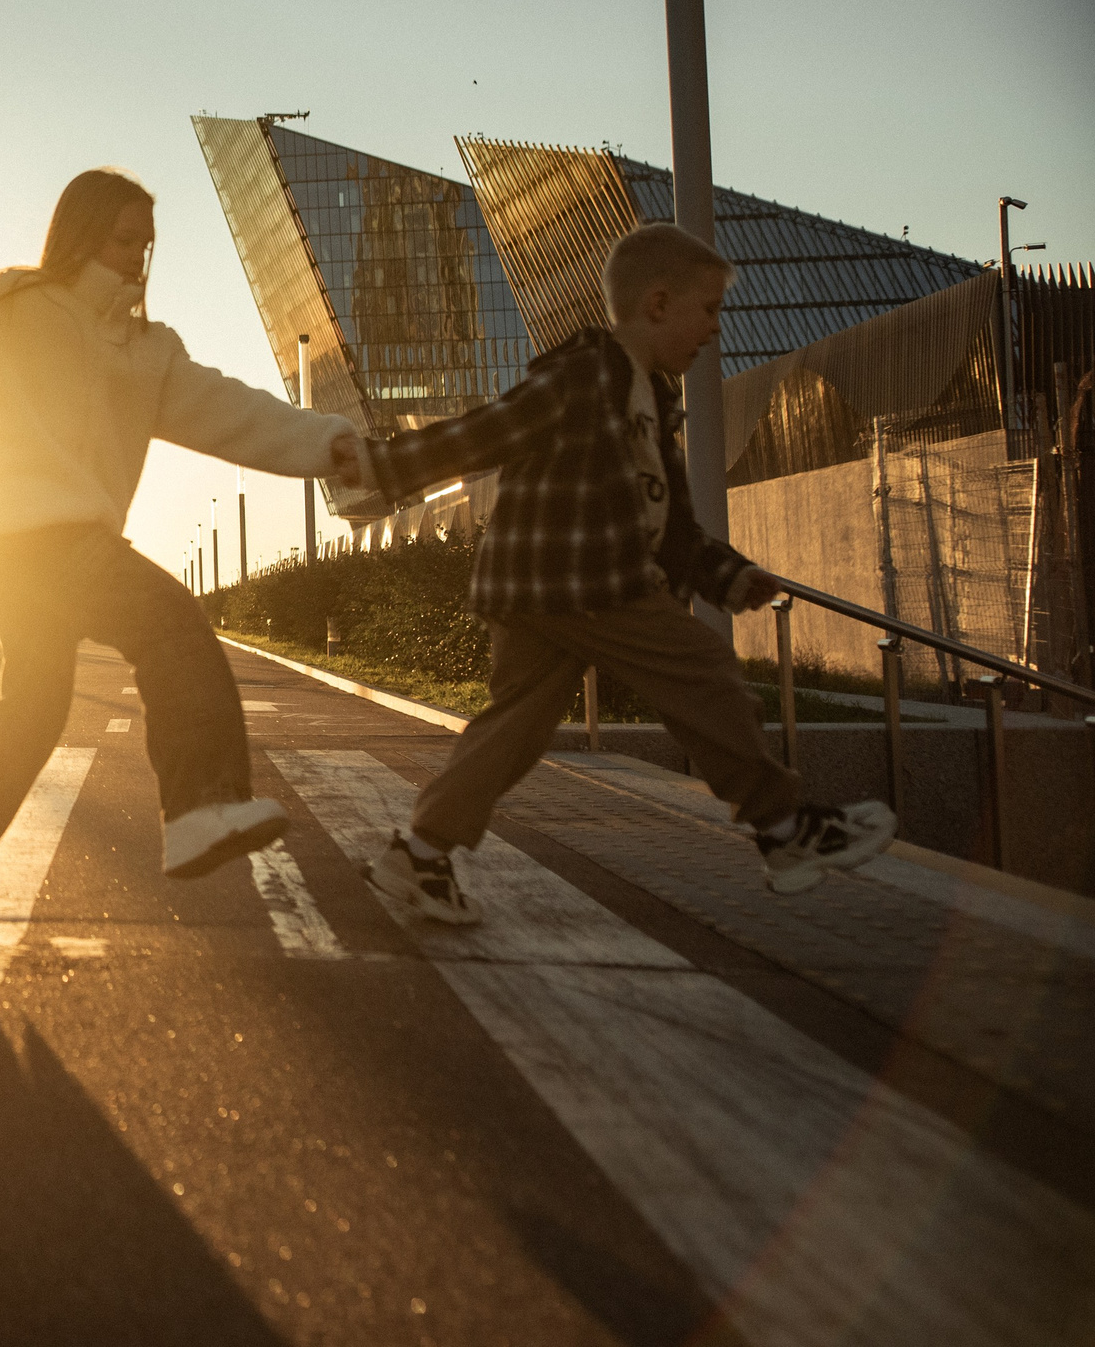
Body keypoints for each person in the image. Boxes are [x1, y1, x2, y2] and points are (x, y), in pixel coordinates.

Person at [0, 168, 360, 916]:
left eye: (146, 245)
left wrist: (329, 444)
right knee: (169, 622)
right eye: (123, 239)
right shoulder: (19, 310)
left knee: (34, 708)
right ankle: (200, 805)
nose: (137, 258)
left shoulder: (148, 350)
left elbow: (233, 411)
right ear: (82, 234)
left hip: (53, 546)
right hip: (31, 539)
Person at [354, 223, 897, 924]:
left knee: (514, 729)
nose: (715, 328)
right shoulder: (588, 374)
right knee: (702, 671)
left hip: (533, 588)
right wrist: (384, 464)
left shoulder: (654, 400)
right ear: (658, 303)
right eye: (709, 309)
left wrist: (729, 575)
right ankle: (786, 830)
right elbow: (492, 429)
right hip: (586, 579)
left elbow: (671, 524)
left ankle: (420, 853)